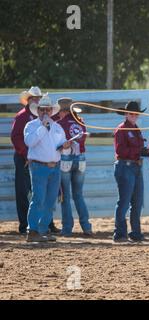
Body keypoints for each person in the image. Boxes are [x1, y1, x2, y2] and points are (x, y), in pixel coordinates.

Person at [11, 86, 59, 235]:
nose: (37, 100)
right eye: (34, 98)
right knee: (24, 191)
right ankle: (25, 225)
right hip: (24, 158)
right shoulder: (21, 117)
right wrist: (27, 155)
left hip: (38, 158)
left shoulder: (42, 118)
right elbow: (16, 138)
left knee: (41, 193)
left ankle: (46, 224)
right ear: (29, 100)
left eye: (38, 98)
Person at [24, 94, 71, 242]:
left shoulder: (57, 127)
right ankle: (32, 230)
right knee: (38, 198)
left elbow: (64, 149)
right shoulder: (31, 126)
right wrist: (42, 128)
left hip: (54, 167)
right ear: (37, 110)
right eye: (42, 109)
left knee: (50, 200)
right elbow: (29, 142)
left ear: (51, 111)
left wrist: (66, 147)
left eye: (48, 110)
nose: (45, 112)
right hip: (38, 166)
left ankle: (42, 230)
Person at [113, 101, 149, 243]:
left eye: (136, 114)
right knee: (124, 201)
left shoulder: (135, 129)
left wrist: (145, 152)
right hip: (125, 166)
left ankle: (135, 233)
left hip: (135, 166)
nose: (134, 116)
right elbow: (120, 151)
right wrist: (138, 151)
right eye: (131, 113)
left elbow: (136, 149)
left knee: (137, 202)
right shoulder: (121, 129)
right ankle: (120, 233)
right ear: (126, 114)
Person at [57, 97, 93, 237]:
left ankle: (67, 228)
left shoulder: (59, 124)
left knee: (65, 196)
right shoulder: (81, 123)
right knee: (78, 195)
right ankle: (86, 226)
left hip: (66, 159)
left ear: (62, 111)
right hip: (81, 159)